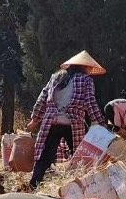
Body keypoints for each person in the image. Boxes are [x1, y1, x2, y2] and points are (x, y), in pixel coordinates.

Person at [28, 51, 107, 188]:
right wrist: (100, 122)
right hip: (73, 123)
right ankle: (80, 185)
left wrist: (35, 119)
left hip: (51, 121)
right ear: (84, 67)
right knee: (78, 155)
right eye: (89, 68)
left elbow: (42, 99)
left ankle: (34, 184)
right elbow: (90, 102)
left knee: (44, 155)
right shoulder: (86, 80)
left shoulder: (56, 77)